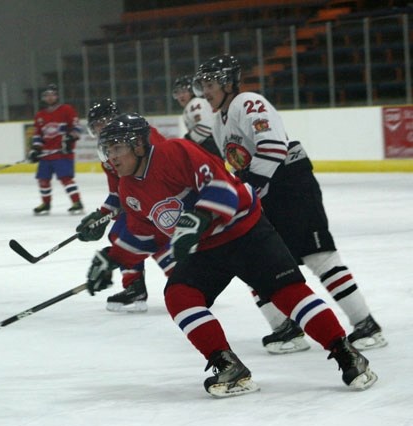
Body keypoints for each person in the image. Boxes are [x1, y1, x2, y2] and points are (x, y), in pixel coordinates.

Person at [85, 113, 378, 398]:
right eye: (107, 150)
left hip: (245, 232)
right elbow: (146, 235)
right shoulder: (128, 189)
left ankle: (345, 352)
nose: (111, 157)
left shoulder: (175, 152)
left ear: (138, 145)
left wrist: (198, 218)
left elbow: (223, 188)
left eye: (117, 148)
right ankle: (229, 365)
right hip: (206, 249)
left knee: (288, 294)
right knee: (179, 296)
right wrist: (114, 258)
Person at [192, 54, 387, 354]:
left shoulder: (248, 103)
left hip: (290, 185)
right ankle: (286, 329)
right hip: (264, 190)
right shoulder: (219, 121)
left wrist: (248, 190)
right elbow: (234, 166)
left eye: (210, 83)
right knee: (254, 260)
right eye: (202, 84)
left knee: (319, 256)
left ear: (229, 82)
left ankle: (366, 325)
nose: (205, 91)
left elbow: (273, 148)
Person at [75, 98, 174, 312]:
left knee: (149, 235)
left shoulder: (140, 135)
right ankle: (134, 287)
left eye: (102, 123)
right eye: (95, 127)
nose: (99, 130)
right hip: (140, 198)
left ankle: (182, 276)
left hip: (165, 196)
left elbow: (162, 164)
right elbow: (117, 193)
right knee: (118, 234)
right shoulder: (109, 153)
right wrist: (99, 218)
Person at [28, 84, 84, 215]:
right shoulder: (40, 115)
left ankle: (77, 202)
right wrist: (36, 149)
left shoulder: (66, 110)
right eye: (47, 95)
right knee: (43, 179)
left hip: (62, 152)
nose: (50, 97)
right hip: (46, 154)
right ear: (43, 98)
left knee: (66, 178)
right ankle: (46, 204)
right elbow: (38, 135)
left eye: (52, 94)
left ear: (57, 96)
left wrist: (69, 140)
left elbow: (77, 127)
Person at [172, 75, 222, 157]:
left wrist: (187, 141)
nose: (181, 96)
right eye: (178, 93)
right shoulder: (194, 104)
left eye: (184, 92)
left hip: (213, 145)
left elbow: (204, 127)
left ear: (192, 92)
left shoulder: (195, 103)